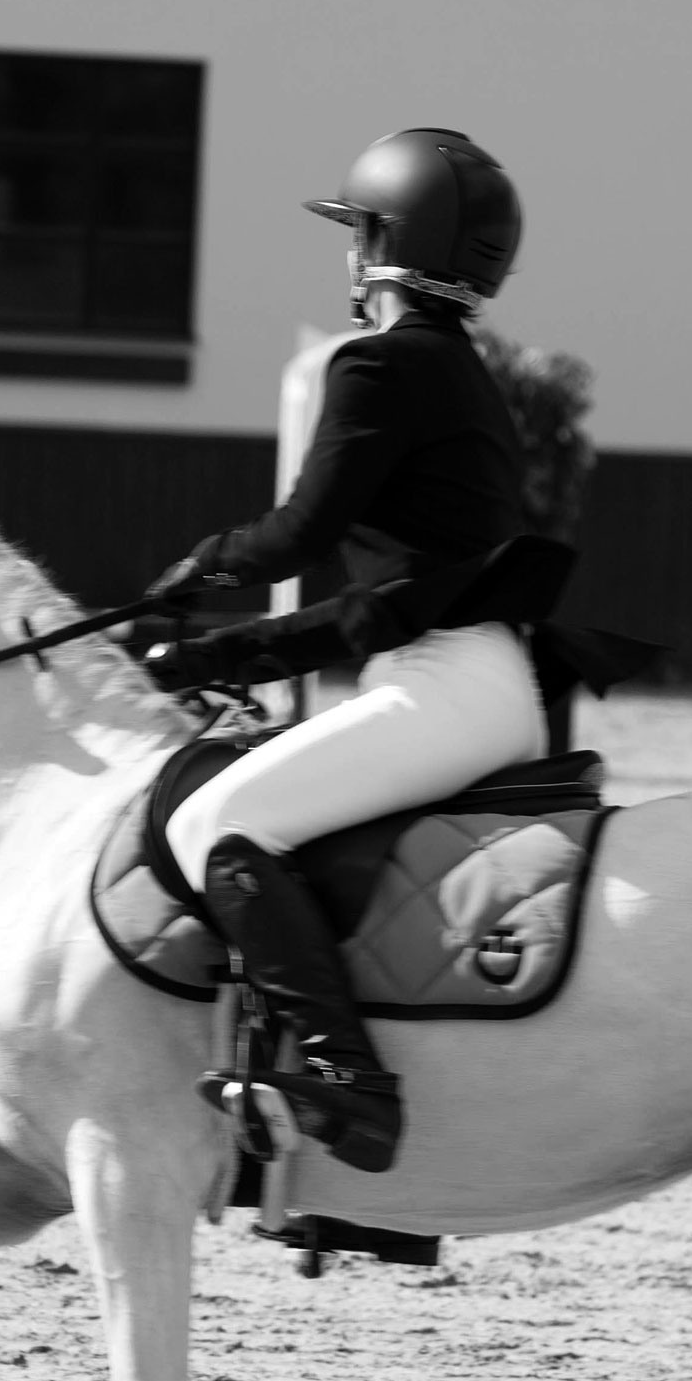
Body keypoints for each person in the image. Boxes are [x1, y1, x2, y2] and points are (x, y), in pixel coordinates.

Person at [139, 128, 571, 1174]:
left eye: (359, 233)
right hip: (482, 682)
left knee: (215, 823)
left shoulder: (379, 364)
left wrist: (198, 574)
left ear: (385, 243)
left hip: (444, 687)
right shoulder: (465, 374)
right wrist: (229, 650)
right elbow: (377, 604)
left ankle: (346, 1077)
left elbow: (302, 535)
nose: (349, 252)